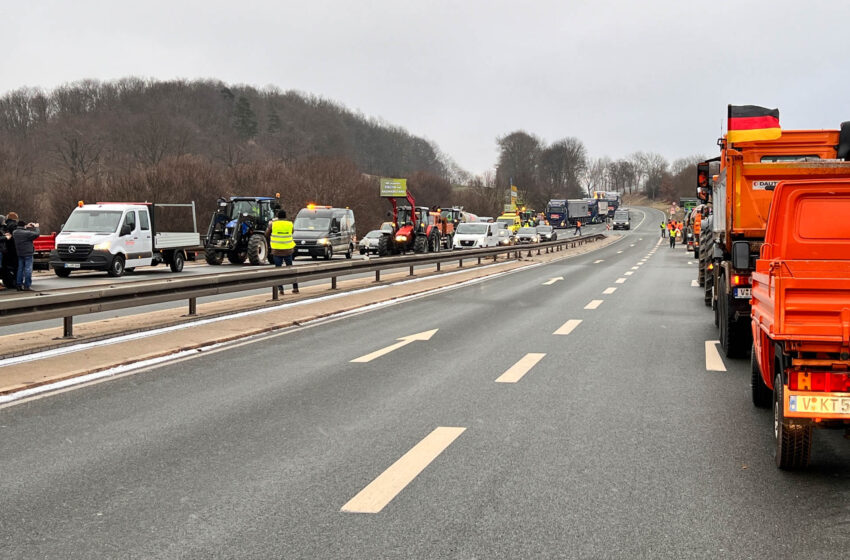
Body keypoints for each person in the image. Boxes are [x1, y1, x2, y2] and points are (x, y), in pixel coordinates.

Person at [265, 209, 299, 296]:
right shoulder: (289, 224)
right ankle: (295, 287)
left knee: (278, 270)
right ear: (285, 216)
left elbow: (266, 234)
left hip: (277, 250)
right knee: (290, 269)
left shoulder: (273, 224)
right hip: (288, 250)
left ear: (278, 216)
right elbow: (292, 232)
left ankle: (281, 289)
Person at [12, 220, 39, 291]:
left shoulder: (15, 232)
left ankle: (19, 285)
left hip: (20, 253)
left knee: (20, 269)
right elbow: (37, 234)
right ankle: (27, 285)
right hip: (28, 253)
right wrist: (36, 227)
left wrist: (26, 226)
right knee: (28, 269)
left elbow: (21, 229)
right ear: (24, 226)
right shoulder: (27, 233)